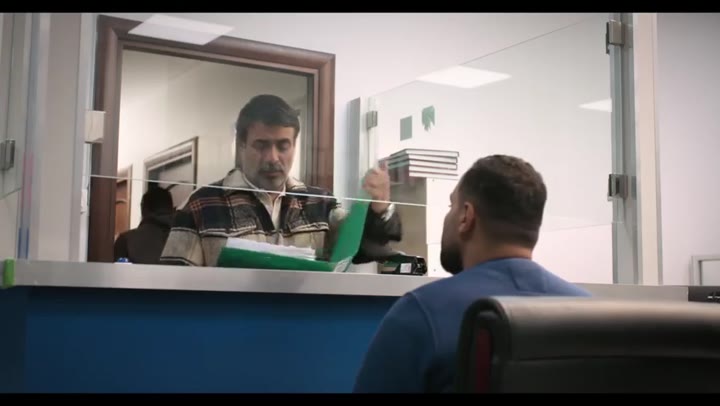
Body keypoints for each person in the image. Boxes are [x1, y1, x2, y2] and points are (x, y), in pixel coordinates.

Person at [352, 154, 591, 393]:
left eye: (451, 206)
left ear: (466, 217)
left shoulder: (421, 313)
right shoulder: (586, 314)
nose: (448, 215)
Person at [160, 94, 401, 267]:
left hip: (303, 322)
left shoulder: (319, 203)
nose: (272, 158)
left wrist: (380, 208)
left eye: (283, 146)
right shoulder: (202, 204)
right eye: (261, 145)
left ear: (294, 145)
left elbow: (365, 250)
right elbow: (174, 286)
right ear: (242, 145)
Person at [114, 186, 175, 264]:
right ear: (171, 210)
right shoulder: (185, 241)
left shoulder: (125, 241)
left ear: (143, 209)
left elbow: (117, 271)